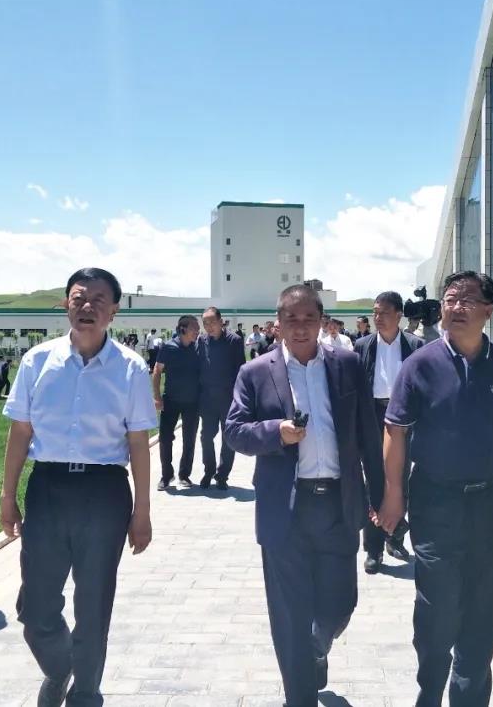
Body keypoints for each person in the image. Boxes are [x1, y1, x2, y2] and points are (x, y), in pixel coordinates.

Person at [378, 271, 493, 707]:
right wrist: (393, 494)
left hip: (492, 505)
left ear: (488, 311)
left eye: (467, 300)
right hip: (436, 502)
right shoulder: (420, 364)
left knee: (484, 605)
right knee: (436, 608)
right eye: (450, 299)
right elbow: (395, 431)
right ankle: (430, 685)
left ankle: (468, 693)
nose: (456, 307)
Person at [0, 268, 154, 707]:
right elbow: (20, 432)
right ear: (66, 304)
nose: (87, 307)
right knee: (35, 608)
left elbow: (138, 443)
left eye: (98, 300)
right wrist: (7, 496)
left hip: (104, 493)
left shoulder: (131, 368)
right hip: (48, 488)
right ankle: (60, 666)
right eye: (78, 298)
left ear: (114, 311)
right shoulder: (37, 361)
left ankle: (85, 692)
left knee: (94, 603)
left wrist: (142, 512)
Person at [225, 284, 384, 707]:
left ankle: (317, 644)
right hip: (286, 510)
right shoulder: (255, 372)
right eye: (290, 319)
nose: (300, 327)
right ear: (278, 324)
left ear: (321, 322)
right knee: (289, 616)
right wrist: (275, 432)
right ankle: (299, 696)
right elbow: (234, 430)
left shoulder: (347, 364)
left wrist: (383, 495)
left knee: (341, 602)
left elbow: (368, 434)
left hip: (337, 504)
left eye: (308, 319)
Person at [354, 291, 423, 574]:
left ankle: (395, 537)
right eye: (375, 312)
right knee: (374, 481)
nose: (377, 317)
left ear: (398, 315)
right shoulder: (362, 346)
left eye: (383, 312)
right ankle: (373, 549)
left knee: (400, 480)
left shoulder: (415, 346)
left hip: (403, 421)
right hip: (373, 417)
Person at [197, 307, 245, 490]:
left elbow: (240, 370)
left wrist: (239, 398)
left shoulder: (234, 340)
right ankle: (208, 471)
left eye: (212, 322)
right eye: (205, 323)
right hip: (208, 399)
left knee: (228, 437)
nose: (208, 326)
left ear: (220, 321)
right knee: (206, 437)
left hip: (228, 398)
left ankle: (222, 475)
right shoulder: (202, 341)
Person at [152, 314, 202, 490]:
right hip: (171, 400)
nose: (198, 330)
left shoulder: (199, 348)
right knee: (165, 438)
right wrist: (157, 397)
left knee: (189, 439)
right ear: (183, 329)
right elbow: (157, 371)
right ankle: (166, 475)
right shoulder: (168, 348)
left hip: (192, 402)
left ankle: (184, 475)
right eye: (194, 327)